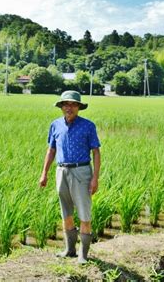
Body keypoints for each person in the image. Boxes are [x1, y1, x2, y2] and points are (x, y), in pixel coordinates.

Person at [39, 90, 101, 264]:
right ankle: (69, 250)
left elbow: (96, 152)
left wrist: (95, 178)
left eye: (73, 104)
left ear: (79, 107)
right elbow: (51, 150)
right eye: (66, 104)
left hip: (81, 172)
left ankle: (83, 254)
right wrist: (44, 173)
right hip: (61, 171)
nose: (69, 107)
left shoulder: (88, 126)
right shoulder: (55, 125)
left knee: (84, 213)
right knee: (66, 212)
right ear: (61, 106)